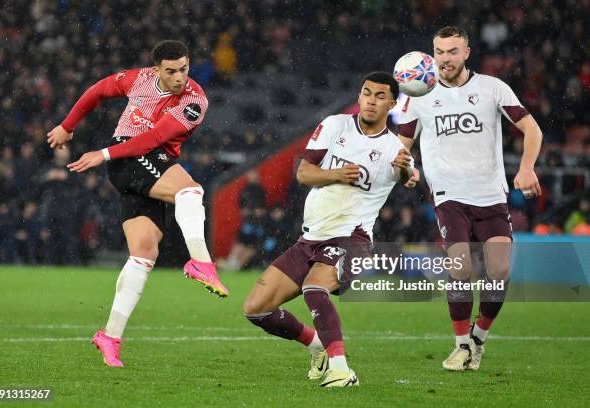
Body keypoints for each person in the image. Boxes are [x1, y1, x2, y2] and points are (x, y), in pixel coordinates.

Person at [46, 40, 229, 368]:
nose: (178, 78)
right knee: (191, 191)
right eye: (170, 71)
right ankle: (201, 262)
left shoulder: (194, 101)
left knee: (144, 253)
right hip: (128, 159)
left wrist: (101, 154)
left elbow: (156, 139)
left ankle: (110, 336)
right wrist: (67, 126)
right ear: (156, 68)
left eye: (183, 70)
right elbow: (97, 91)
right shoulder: (138, 79)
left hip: (147, 160)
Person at [243, 72, 415, 388]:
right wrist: (337, 174)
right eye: (366, 93)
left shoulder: (394, 150)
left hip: (352, 239)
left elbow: (407, 177)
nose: (371, 101)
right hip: (310, 238)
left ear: (391, 103)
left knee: (314, 287)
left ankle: (341, 371)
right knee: (256, 309)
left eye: (380, 96)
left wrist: (406, 170)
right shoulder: (336, 125)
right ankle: (317, 347)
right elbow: (304, 173)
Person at [397, 26, 543, 371]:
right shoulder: (418, 95)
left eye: (451, 51)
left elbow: (532, 129)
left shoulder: (492, 88)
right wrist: (406, 172)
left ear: (466, 53)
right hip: (449, 195)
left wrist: (527, 168)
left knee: (499, 270)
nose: (444, 58)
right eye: (439, 51)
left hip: (491, 193)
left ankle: (478, 338)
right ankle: (461, 345)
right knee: (461, 268)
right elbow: (401, 148)